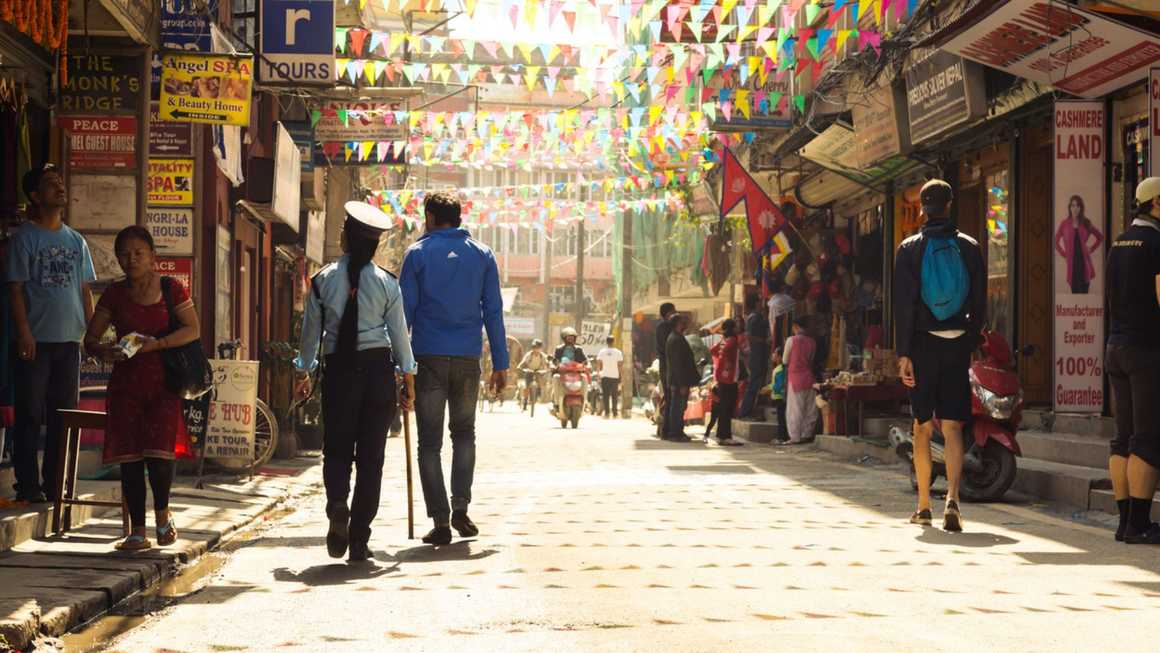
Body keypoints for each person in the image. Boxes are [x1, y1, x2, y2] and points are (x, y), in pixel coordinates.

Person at [293, 202, 416, 561]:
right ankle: (360, 536)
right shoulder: (387, 284)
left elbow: (310, 335)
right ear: (374, 245)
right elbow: (399, 337)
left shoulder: (322, 280)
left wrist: (304, 371)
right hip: (378, 373)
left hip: (339, 372)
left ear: (345, 237)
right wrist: (408, 379)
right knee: (371, 458)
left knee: (336, 449)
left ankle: (336, 506)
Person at [81, 227, 198, 550]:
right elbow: (91, 340)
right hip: (125, 386)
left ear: (152, 257)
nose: (131, 260)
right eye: (124, 254)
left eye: (138, 253)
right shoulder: (114, 295)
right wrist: (105, 350)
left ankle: (163, 518)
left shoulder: (171, 288)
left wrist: (157, 344)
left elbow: (192, 329)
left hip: (163, 383)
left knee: (159, 457)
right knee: (129, 459)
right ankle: (137, 531)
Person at [400, 192, 507, 547]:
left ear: (430, 216)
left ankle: (441, 520)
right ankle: (460, 506)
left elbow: (404, 317)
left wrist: (401, 368)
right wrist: (501, 364)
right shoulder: (482, 255)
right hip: (467, 359)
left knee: (428, 443)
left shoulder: (416, 254)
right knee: (464, 434)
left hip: (427, 357)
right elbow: (493, 311)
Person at [894, 179, 986, 533]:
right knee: (952, 426)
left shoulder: (910, 249)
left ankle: (922, 506)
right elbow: (978, 302)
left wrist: (904, 353)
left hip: (921, 345)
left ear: (922, 208)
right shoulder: (970, 247)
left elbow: (904, 305)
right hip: (956, 344)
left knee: (921, 426)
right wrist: (970, 340)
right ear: (950, 205)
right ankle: (953, 499)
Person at [7, 165, 95, 503]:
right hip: (35, 341)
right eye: (50, 185)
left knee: (63, 416)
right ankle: (27, 485)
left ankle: (56, 483)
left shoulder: (76, 240)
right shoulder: (25, 237)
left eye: (60, 184)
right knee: (29, 412)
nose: (60, 189)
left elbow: (85, 290)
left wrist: (91, 333)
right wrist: (24, 332)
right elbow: (15, 289)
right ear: (34, 196)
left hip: (69, 342)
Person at [1106, 177, 1160, 544]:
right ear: (1156, 203)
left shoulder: (1118, 243)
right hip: (1145, 350)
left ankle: (1124, 522)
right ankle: (1140, 525)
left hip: (1116, 347)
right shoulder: (1156, 242)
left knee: (1122, 438)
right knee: (1147, 438)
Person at [1054, 195, 1104, 294]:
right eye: (1073, 205)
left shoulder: (1086, 223)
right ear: (1070, 207)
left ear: (1081, 208)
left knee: (1084, 295)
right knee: (1075, 295)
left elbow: (1100, 237)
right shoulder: (1064, 224)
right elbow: (1055, 241)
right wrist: (1064, 254)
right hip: (1072, 267)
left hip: (1084, 266)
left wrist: (1092, 248)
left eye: (1077, 205)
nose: (1075, 208)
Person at [782, 318, 818, 445]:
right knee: (810, 408)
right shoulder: (812, 342)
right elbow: (811, 359)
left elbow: (785, 360)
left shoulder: (791, 340)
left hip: (795, 378)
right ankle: (806, 434)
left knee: (795, 409)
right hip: (809, 377)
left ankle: (795, 437)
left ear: (795, 326)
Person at [708, 319, 743, 446]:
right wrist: (727, 363)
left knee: (724, 408)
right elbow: (726, 352)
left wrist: (722, 363)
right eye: (737, 326)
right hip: (729, 378)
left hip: (722, 377)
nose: (739, 328)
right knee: (728, 408)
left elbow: (713, 351)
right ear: (733, 328)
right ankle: (725, 436)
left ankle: (722, 435)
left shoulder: (724, 340)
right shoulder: (732, 340)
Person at [665, 314, 699, 442]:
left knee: (680, 407)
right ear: (677, 324)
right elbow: (678, 364)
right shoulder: (675, 339)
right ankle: (675, 433)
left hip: (679, 380)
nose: (684, 324)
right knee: (677, 408)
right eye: (682, 322)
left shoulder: (677, 337)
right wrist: (682, 384)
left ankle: (678, 432)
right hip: (678, 381)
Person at [739, 294, 770, 419]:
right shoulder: (754, 318)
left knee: (757, 383)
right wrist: (764, 341)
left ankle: (751, 410)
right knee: (754, 383)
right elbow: (750, 336)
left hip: (759, 354)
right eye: (760, 300)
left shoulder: (757, 317)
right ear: (756, 303)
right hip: (756, 354)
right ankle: (745, 411)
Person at [551, 327, 589, 417]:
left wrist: (587, 364)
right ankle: (556, 404)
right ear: (564, 338)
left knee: (584, 377)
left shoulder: (579, 349)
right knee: (555, 377)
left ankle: (585, 402)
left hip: (576, 373)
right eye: (568, 337)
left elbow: (585, 360)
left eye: (572, 337)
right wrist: (555, 365)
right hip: (562, 373)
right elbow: (555, 360)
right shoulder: (559, 349)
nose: (570, 339)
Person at [654, 302, 677, 437]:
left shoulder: (664, 326)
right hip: (668, 367)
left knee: (669, 399)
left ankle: (666, 429)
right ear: (669, 313)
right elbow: (667, 348)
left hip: (667, 367)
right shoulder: (665, 327)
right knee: (670, 399)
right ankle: (667, 430)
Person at [760, 347, 788, 443]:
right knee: (780, 418)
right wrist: (768, 387)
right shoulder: (778, 368)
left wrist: (769, 389)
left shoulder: (780, 369)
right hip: (778, 397)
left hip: (780, 397)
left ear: (780, 357)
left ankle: (781, 437)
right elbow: (775, 383)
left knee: (781, 418)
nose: (773, 355)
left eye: (775, 353)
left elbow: (779, 385)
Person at [595, 335, 624, 418]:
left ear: (606, 342)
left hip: (605, 376)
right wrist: (621, 377)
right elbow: (620, 366)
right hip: (615, 376)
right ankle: (615, 413)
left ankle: (607, 413)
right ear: (613, 341)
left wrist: (598, 375)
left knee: (606, 395)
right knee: (615, 395)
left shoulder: (602, 352)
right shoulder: (618, 352)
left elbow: (598, 364)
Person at [517, 339, 549, 409]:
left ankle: (538, 394)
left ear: (540, 348)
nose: (536, 350)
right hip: (529, 370)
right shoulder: (529, 354)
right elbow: (523, 362)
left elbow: (547, 363)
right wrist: (519, 366)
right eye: (534, 348)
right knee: (527, 387)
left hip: (538, 371)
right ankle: (525, 401)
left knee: (541, 382)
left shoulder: (542, 356)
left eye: (538, 348)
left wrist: (549, 368)